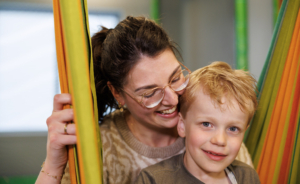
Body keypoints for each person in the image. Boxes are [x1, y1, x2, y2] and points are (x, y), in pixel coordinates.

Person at [36, 17, 253, 184]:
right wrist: (54, 165)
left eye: (176, 78)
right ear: (118, 94)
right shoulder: (102, 146)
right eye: (149, 93)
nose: (172, 99)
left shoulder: (214, 128)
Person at [135, 61, 260, 184]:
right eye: (206, 124)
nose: (220, 140)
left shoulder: (247, 177)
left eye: (233, 129)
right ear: (182, 126)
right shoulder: (153, 180)